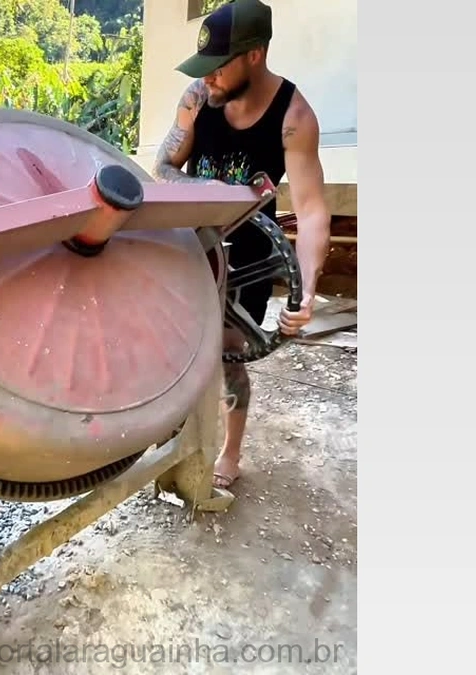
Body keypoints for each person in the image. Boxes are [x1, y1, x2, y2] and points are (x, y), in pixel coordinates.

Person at [153, 0, 331, 490]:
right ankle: (167, 428)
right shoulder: (196, 99)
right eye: (202, 70)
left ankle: (228, 451)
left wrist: (308, 288)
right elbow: (164, 169)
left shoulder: (293, 117)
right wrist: (205, 192)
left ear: (255, 55)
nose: (207, 79)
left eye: (217, 68)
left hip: (249, 258)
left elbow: (314, 210)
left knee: (230, 354)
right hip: (187, 247)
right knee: (174, 344)